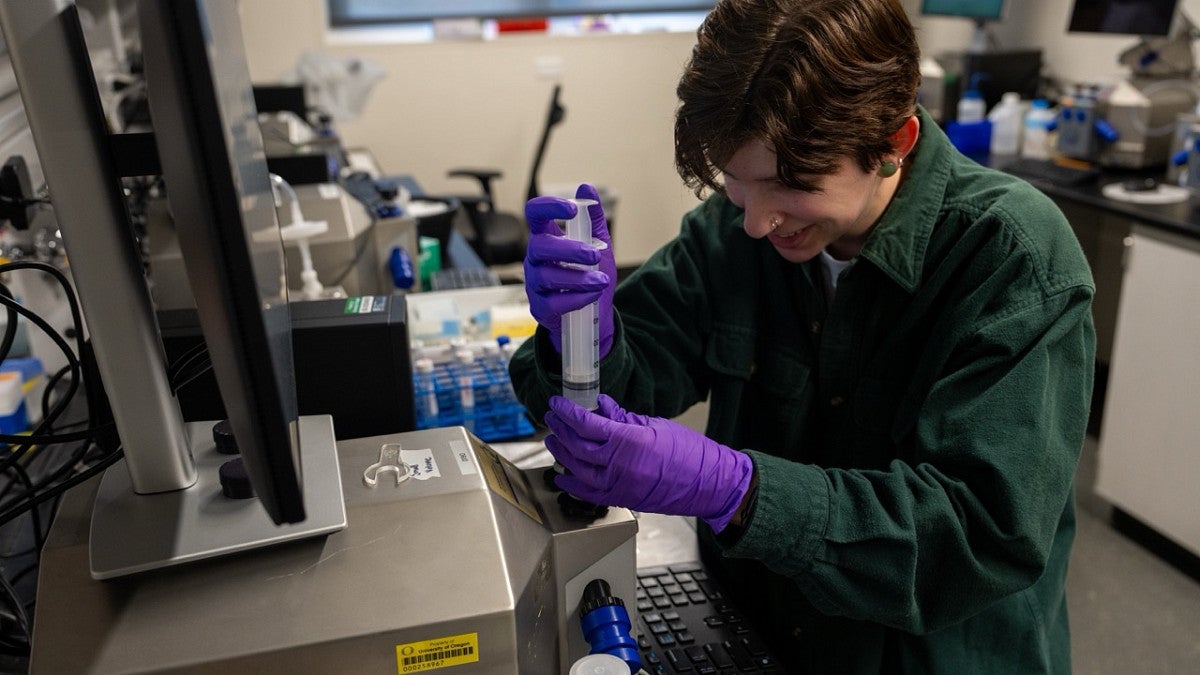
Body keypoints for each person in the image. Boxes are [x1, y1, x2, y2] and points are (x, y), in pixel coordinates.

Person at [509, 0, 1096, 671]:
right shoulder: (733, 234)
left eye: (789, 185)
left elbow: (976, 535)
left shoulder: (1011, 258)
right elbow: (628, 385)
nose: (758, 221)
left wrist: (742, 492)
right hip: (758, 632)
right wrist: (580, 338)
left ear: (892, 144)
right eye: (734, 179)